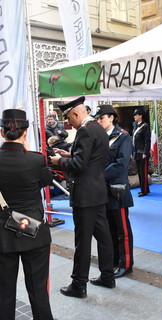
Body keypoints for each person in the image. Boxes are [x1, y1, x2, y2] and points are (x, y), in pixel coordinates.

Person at [50, 96, 115, 298]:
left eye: (69, 117)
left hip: (85, 195)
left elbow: (79, 165)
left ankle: (79, 284)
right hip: (97, 191)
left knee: (83, 241)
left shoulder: (85, 131)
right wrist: (69, 154)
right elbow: (91, 157)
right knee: (104, 237)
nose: (69, 123)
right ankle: (107, 275)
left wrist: (58, 160)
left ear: (77, 113)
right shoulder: (99, 129)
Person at [0, 109, 54, 320]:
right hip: (34, 231)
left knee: (4, 294)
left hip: (2, 234)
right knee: (39, 291)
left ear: (2, 132)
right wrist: (28, 151)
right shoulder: (36, 160)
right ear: (25, 132)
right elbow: (46, 182)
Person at [95, 104, 134, 278]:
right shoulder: (100, 137)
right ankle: (113, 261)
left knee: (122, 230)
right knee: (109, 229)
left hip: (117, 190)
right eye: (97, 118)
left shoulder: (123, 137)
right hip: (103, 190)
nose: (99, 121)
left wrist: (99, 176)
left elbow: (121, 164)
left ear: (111, 117)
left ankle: (126, 264)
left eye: (101, 118)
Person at [132, 109, 151, 197]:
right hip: (136, 152)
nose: (134, 116)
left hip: (143, 152)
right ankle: (143, 188)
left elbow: (147, 141)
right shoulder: (135, 125)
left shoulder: (145, 126)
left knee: (143, 172)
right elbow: (134, 140)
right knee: (139, 172)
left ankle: (144, 190)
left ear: (140, 116)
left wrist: (145, 152)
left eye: (136, 115)